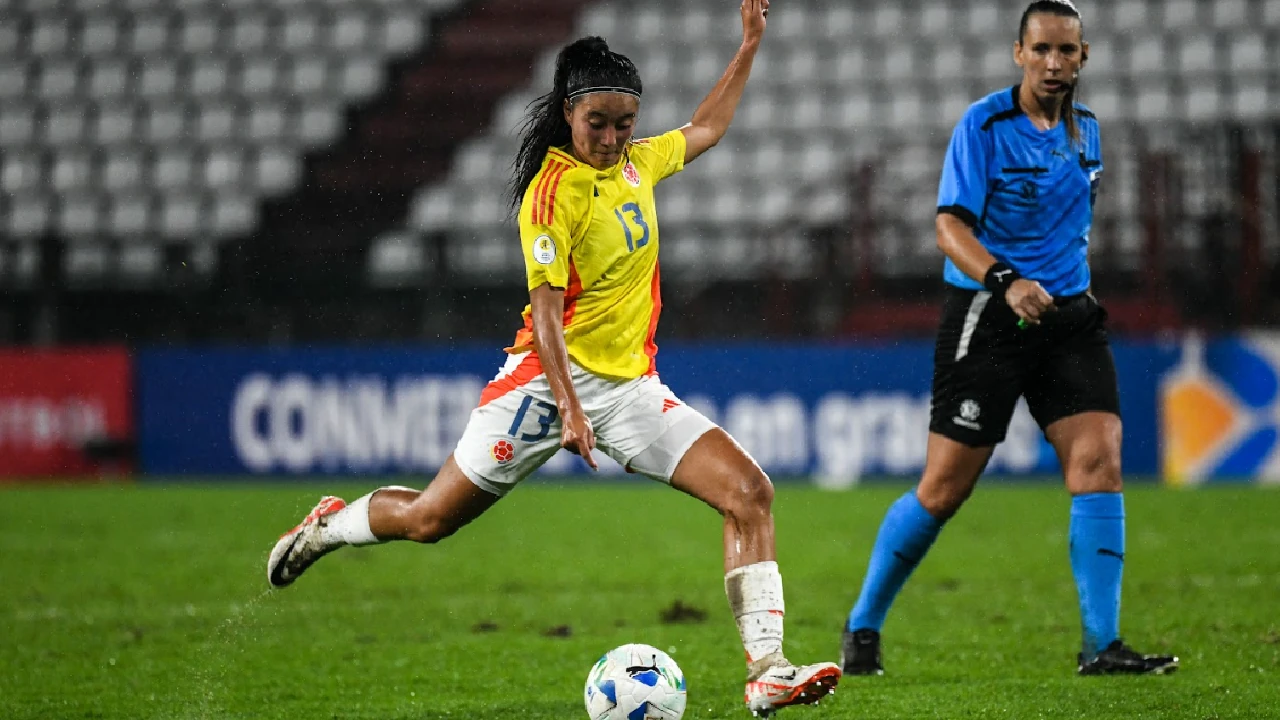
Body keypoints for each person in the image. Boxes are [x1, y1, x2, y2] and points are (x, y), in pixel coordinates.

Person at [267, 1, 842, 713]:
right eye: (595, 122)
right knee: (428, 521)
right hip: (540, 389)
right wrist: (568, 407)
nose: (608, 136)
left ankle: (768, 671)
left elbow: (709, 126)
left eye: (621, 122)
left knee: (750, 493)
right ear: (569, 115)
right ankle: (328, 527)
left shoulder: (639, 164)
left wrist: (749, 43)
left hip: (629, 391)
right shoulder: (551, 194)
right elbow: (543, 315)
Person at [839, 0, 1179, 678]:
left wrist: (1058, 286)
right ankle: (862, 626)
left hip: (1070, 319)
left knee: (1099, 464)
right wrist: (1006, 279)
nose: (1054, 63)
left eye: (1067, 51)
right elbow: (948, 228)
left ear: (1084, 58)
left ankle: (1101, 645)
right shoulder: (984, 125)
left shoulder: (1089, 131)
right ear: (1018, 53)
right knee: (943, 490)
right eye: (1042, 50)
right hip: (989, 317)